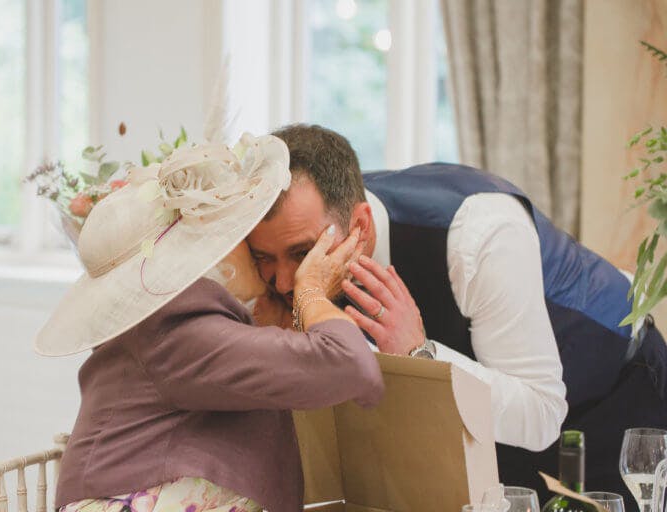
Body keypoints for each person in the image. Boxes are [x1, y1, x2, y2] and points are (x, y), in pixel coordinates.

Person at [246, 123, 667, 508]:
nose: (286, 282)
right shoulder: (310, 231)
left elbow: (540, 415)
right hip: (489, 426)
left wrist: (419, 354)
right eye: (265, 257)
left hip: (611, 398)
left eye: (303, 254)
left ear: (361, 224)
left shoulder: (478, 234)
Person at [35, 134, 384, 512]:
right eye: (254, 246)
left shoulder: (188, 323)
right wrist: (311, 290)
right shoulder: (177, 331)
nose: (280, 280)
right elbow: (350, 364)